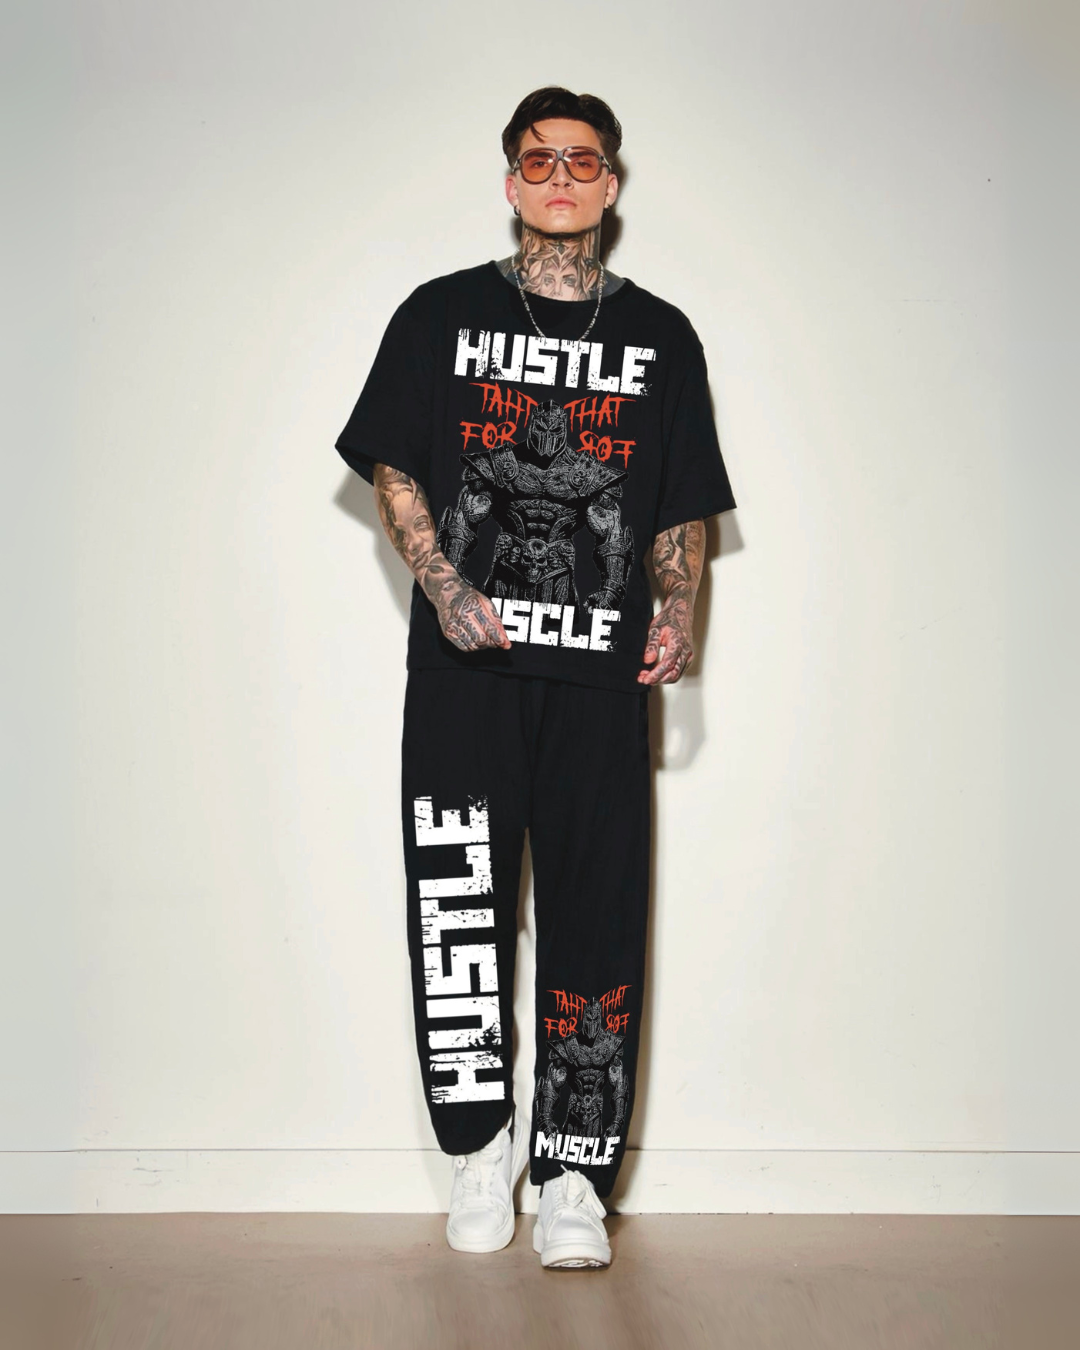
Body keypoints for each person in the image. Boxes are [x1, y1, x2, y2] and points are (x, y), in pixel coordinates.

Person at [334, 86, 736, 1270]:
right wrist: (442, 583)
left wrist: (679, 608)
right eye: (539, 159)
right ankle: (480, 1149)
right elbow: (396, 469)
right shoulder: (439, 315)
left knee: (596, 913)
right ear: (512, 181)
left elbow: (679, 501)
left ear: (611, 185)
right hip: (467, 668)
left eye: (583, 160)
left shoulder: (661, 336)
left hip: (601, 680)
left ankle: (572, 1173)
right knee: (459, 902)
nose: (561, 176)